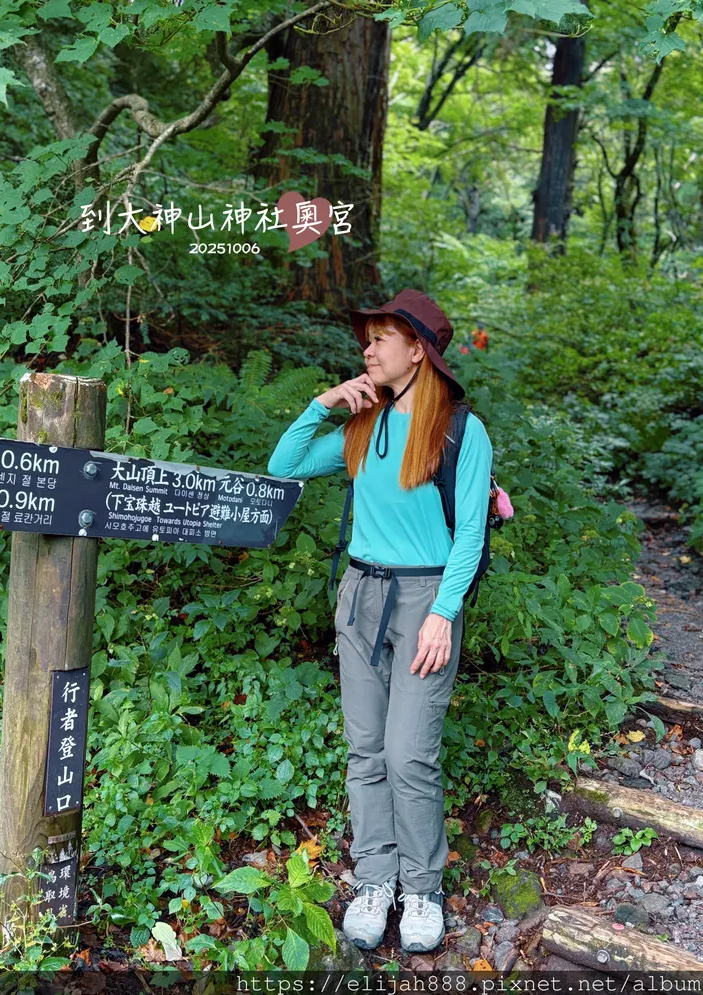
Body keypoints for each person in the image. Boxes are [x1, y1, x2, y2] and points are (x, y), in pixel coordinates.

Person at [266, 289, 492, 955]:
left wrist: (444, 613)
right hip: (361, 594)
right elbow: (284, 464)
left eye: (383, 337)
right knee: (365, 751)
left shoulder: (458, 428)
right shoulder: (364, 424)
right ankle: (375, 881)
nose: (368, 348)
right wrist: (325, 403)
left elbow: (471, 536)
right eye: (366, 337)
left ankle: (421, 887)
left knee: (407, 753)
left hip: (425, 600)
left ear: (418, 349)